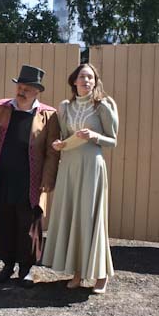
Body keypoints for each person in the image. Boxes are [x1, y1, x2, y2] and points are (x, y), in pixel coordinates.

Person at [42, 63, 119, 294]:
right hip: (69, 166)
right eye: (82, 77)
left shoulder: (103, 105)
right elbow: (65, 138)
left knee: (91, 217)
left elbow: (113, 140)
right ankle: (77, 272)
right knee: (74, 216)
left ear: (95, 81)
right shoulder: (65, 107)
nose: (86, 80)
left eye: (90, 77)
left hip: (91, 166)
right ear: (74, 81)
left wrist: (94, 135)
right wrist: (59, 144)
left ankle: (101, 275)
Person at [0, 65, 60, 287]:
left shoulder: (48, 115)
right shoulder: (1, 107)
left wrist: (48, 179)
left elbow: (52, 151)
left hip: (30, 180)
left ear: (37, 91)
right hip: (3, 176)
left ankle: (26, 269)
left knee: (29, 227)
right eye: (20, 87)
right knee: (4, 223)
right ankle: (7, 265)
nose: (22, 91)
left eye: (27, 89)